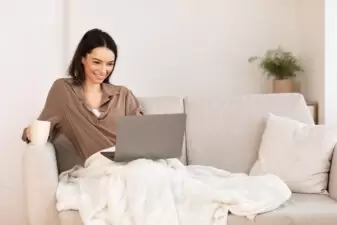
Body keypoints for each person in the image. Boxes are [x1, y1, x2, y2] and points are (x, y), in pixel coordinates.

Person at [22, 28, 143, 161]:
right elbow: (43, 127)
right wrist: (29, 133)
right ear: (83, 59)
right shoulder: (63, 90)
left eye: (110, 64)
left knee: (151, 173)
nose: (103, 70)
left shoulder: (123, 94)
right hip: (99, 166)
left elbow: (144, 134)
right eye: (97, 62)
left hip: (132, 161)